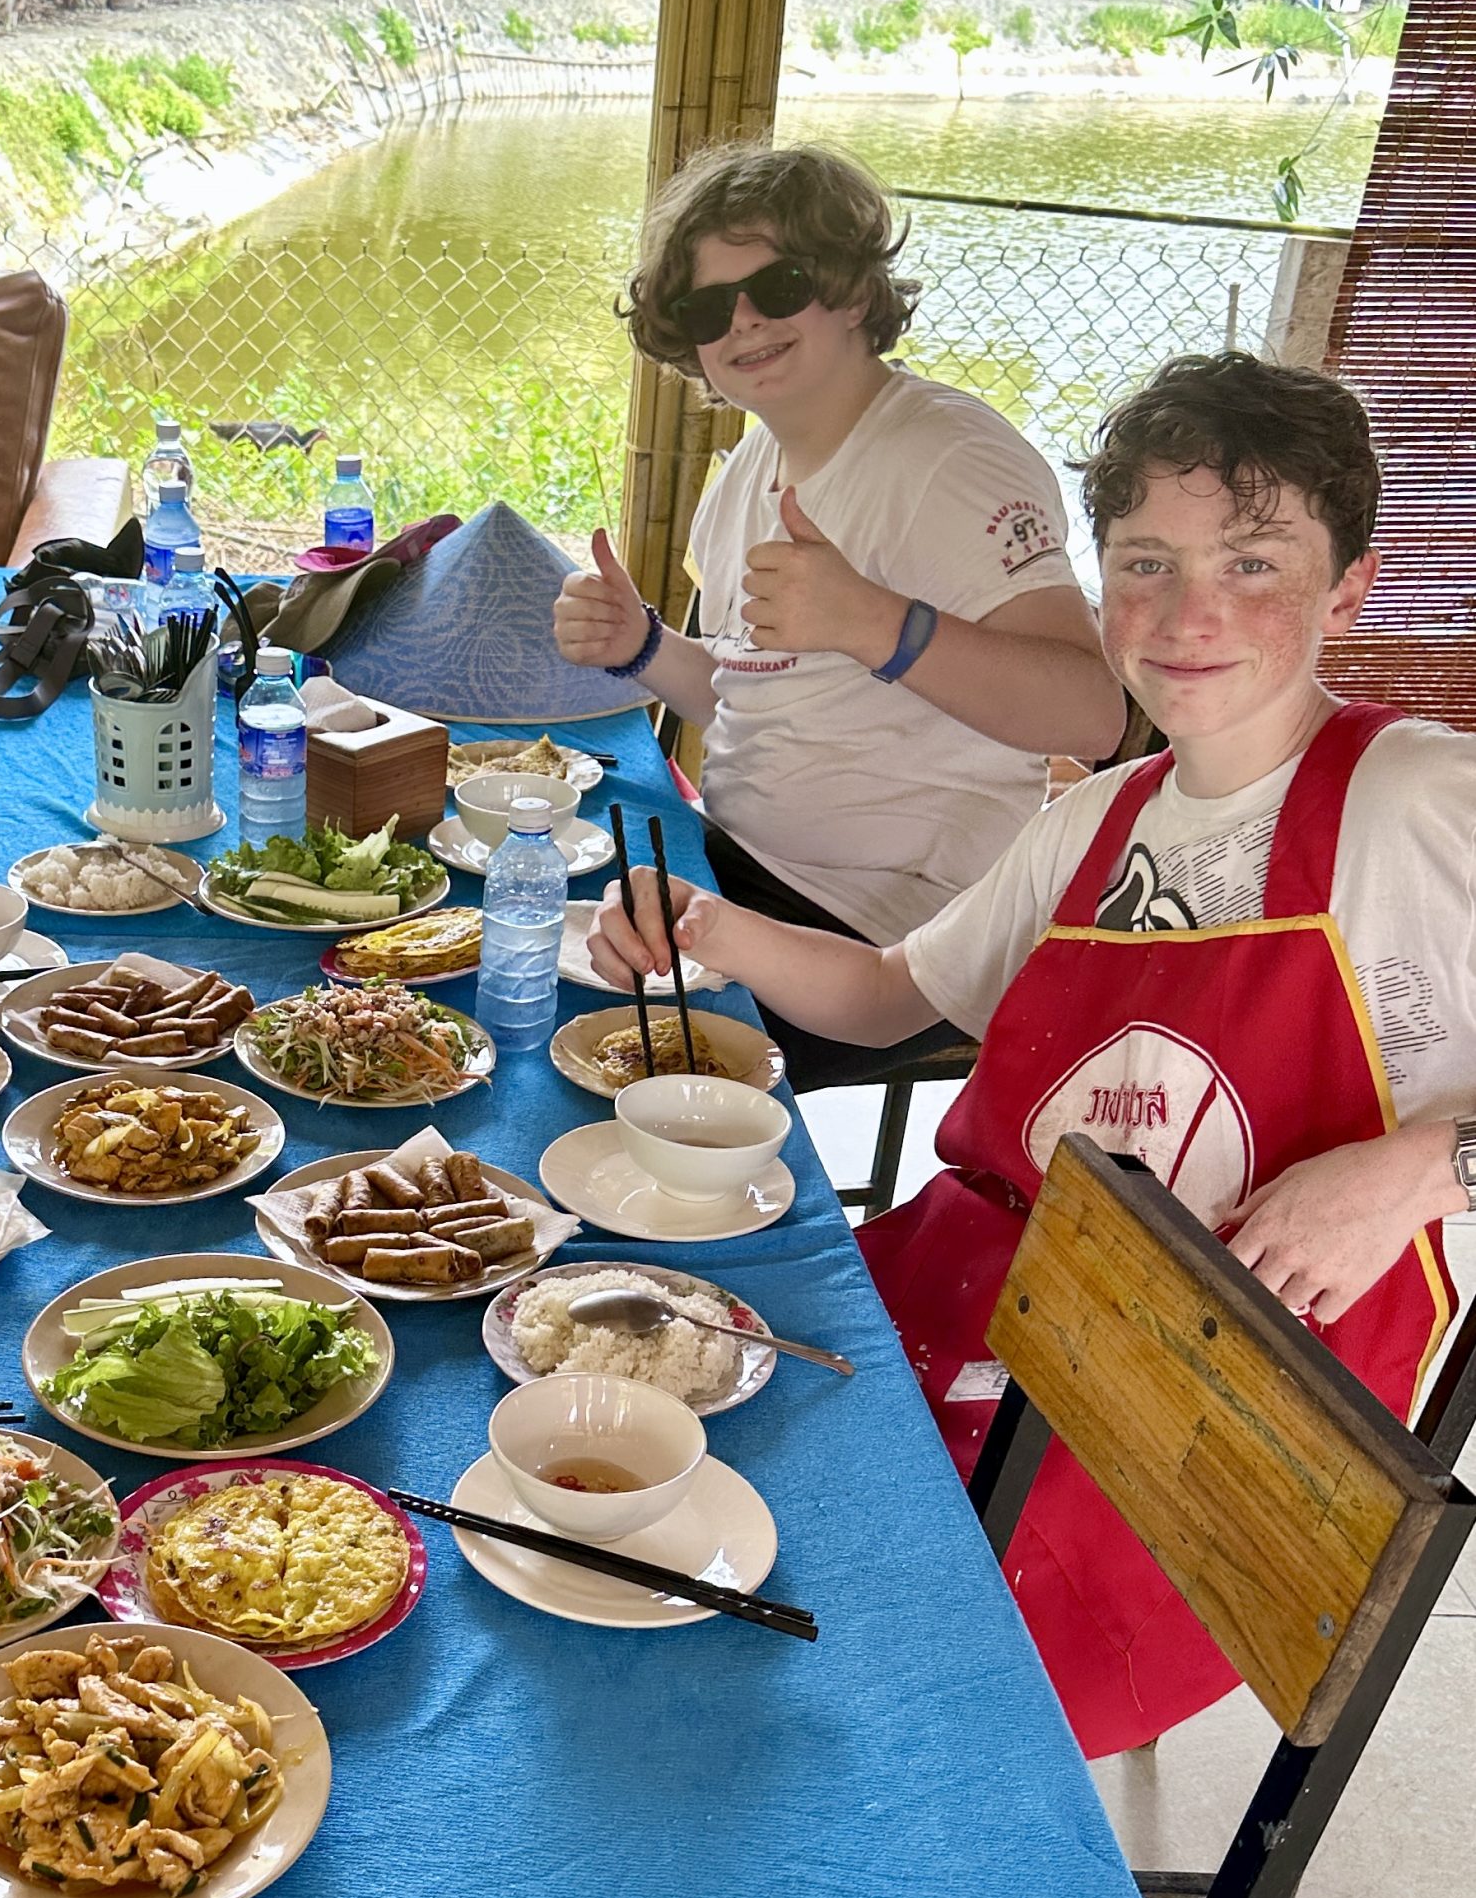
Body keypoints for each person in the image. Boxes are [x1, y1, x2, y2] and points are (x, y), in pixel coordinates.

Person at [590, 352, 1476, 1756]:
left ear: (1347, 591)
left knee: (759, 1677)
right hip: (962, 1307)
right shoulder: (1093, 817)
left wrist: (1415, 1173)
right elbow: (886, 992)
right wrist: (707, 927)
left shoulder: (1417, 798)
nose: (1186, 615)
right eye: (1144, 563)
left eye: (1251, 564)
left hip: (1180, 1464)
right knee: (617, 1435)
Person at [554, 143, 1129, 1088]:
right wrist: (644, 645)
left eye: (778, 287)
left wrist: (880, 624)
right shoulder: (749, 468)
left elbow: (1091, 715)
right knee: (512, 917)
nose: (743, 322)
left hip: (880, 938)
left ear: (856, 291)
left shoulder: (949, 458)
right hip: (741, 868)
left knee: (569, 1041)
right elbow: (754, 697)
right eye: (708, 309)